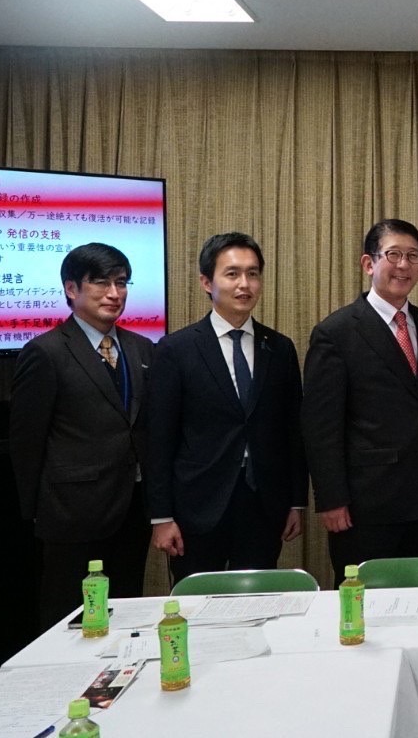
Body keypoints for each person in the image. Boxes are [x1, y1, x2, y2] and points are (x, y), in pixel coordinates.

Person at [144, 233, 306, 581]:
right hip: (197, 505)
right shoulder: (176, 350)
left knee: (260, 598)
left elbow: (292, 430)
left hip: (264, 503)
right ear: (207, 282)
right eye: (232, 274)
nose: (244, 284)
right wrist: (161, 516)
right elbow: (158, 439)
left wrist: (296, 501)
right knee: (198, 602)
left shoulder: (280, 348)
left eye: (253, 273)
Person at [10, 243, 154, 628]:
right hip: (71, 514)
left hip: (132, 507)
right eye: (101, 282)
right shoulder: (46, 352)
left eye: (121, 283)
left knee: (126, 613)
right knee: (71, 620)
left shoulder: (141, 348)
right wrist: (35, 513)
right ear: (71, 288)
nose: (114, 293)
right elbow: (26, 442)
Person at [303, 219, 418, 580]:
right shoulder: (336, 332)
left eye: (413, 256)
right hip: (365, 503)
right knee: (365, 601)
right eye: (394, 255)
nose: (404, 265)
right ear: (368, 263)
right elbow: (320, 427)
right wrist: (331, 498)